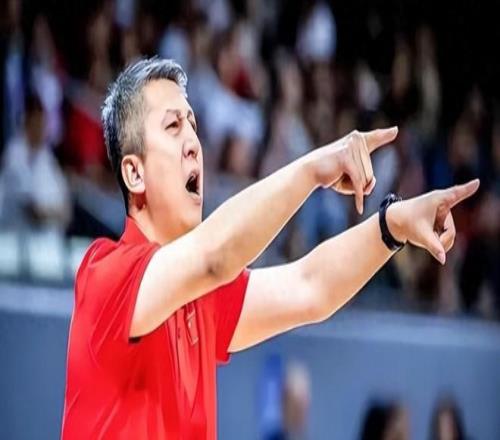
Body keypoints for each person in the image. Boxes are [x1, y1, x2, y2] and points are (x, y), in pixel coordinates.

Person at [61, 58, 480, 439]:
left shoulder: (199, 297)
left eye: (193, 125)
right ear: (134, 173)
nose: (193, 142)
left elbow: (310, 286)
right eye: (173, 127)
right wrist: (313, 169)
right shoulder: (105, 273)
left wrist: (392, 225)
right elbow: (215, 256)